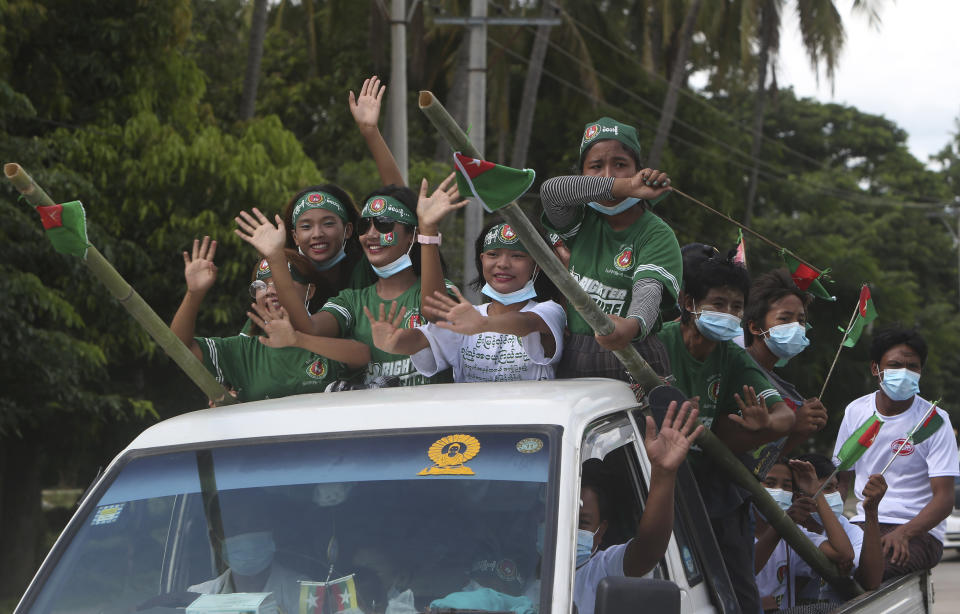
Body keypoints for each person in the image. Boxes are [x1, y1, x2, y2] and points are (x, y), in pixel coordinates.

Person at [656, 253, 794, 614]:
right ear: (689, 303)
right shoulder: (658, 343)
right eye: (718, 304)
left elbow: (784, 417)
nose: (728, 314)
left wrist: (764, 425)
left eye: (736, 307)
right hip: (659, 474)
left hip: (711, 478)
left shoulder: (731, 357)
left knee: (738, 589)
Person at [244, 180, 465, 386]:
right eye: (364, 226)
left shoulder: (439, 288)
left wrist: (428, 232)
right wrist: (275, 257)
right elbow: (309, 328)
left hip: (429, 424)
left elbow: (434, 312)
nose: (371, 234)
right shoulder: (351, 300)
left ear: (412, 235)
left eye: (384, 225)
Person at [539, 116, 681, 380]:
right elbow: (551, 191)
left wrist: (632, 325)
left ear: (639, 169)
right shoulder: (579, 220)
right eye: (595, 166)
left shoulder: (657, 233)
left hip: (635, 349)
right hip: (577, 350)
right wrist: (626, 186)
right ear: (582, 175)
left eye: (620, 165)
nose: (608, 174)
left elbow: (649, 289)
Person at [170, 237, 369, 401]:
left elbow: (362, 355)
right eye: (261, 285)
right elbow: (179, 348)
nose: (270, 292)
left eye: (281, 283)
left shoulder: (328, 330)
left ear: (310, 291)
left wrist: (298, 339)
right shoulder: (243, 349)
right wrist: (194, 294)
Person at [363, 221, 566, 382]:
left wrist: (485, 324)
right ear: (481, 260)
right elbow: (419, 340)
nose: (503, 264)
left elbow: (528, 323)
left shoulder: (550, 311)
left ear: (537, 266)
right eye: (493, 254)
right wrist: (392, 343)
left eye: (517, 256)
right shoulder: (467, 316)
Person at [832, 326, 959, 580]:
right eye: (895, 364)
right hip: (863, 523)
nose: (904, 372)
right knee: (822, 565)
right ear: (875, 368)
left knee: (872, 572)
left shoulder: (934, 420)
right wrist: (829, 525)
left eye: (913, 366)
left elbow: (944, 498)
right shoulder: (856, 412)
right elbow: (841, 478)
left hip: (917, 531)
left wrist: (905, 533)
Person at [572, 401, 703, 614]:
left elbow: (649, 549)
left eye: (582, 523)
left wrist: (663, 474)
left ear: (601, 531)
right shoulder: (515, 567)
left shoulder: (603, 570)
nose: (568, 531)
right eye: (561, 520)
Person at [742, 268, 829, 475]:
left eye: (800, 320)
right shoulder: (739, 370)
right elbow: (734, 451)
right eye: (784, 319)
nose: (796, 327)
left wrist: (802, 431)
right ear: (754, 327)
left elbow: (763, 463)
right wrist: (792, 424)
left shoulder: (785, 390)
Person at [755, 459, 852, 611]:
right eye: (770, 483)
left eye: (786, 486)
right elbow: (747, 569)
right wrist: (780, 526)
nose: (779, 491)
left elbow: (844, 553)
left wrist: (816, 493)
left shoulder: (793, 533)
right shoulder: (736, 532)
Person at [791, 454, 887, 601]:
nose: (836, 494)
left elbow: (872, 581)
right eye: (827, 488)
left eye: (836, 487)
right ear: (799, 495)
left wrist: (871, 512)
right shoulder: (789, 529)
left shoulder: (845, 527)